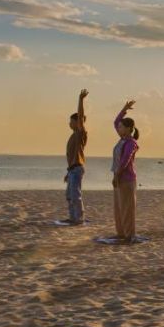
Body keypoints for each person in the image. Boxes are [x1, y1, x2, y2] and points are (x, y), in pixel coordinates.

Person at [109, 100, 140, 244]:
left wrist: (117, 175)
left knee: (127, 208)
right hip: (118, 178)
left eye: (121, 127)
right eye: (119, 127)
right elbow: (116, 121)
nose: (118, 128)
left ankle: (129, 235)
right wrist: (124, 109)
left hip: (126, 179)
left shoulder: (131, 143)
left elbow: (125, 161)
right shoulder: (122, 139)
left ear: (128, 129)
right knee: (118, 208)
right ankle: (121, 233)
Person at [61, 89, 88, 225]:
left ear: (77, 122)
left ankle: (79, 219)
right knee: (69, 196)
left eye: (71, 121)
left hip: (77, 169)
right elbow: (71, 158)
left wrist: (81, 100)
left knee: (75, 195)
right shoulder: (73, 136)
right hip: (72, 169)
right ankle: (73, 218)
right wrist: (68, 172)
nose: (69, 123)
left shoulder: (80, 133)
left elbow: (81, 116)